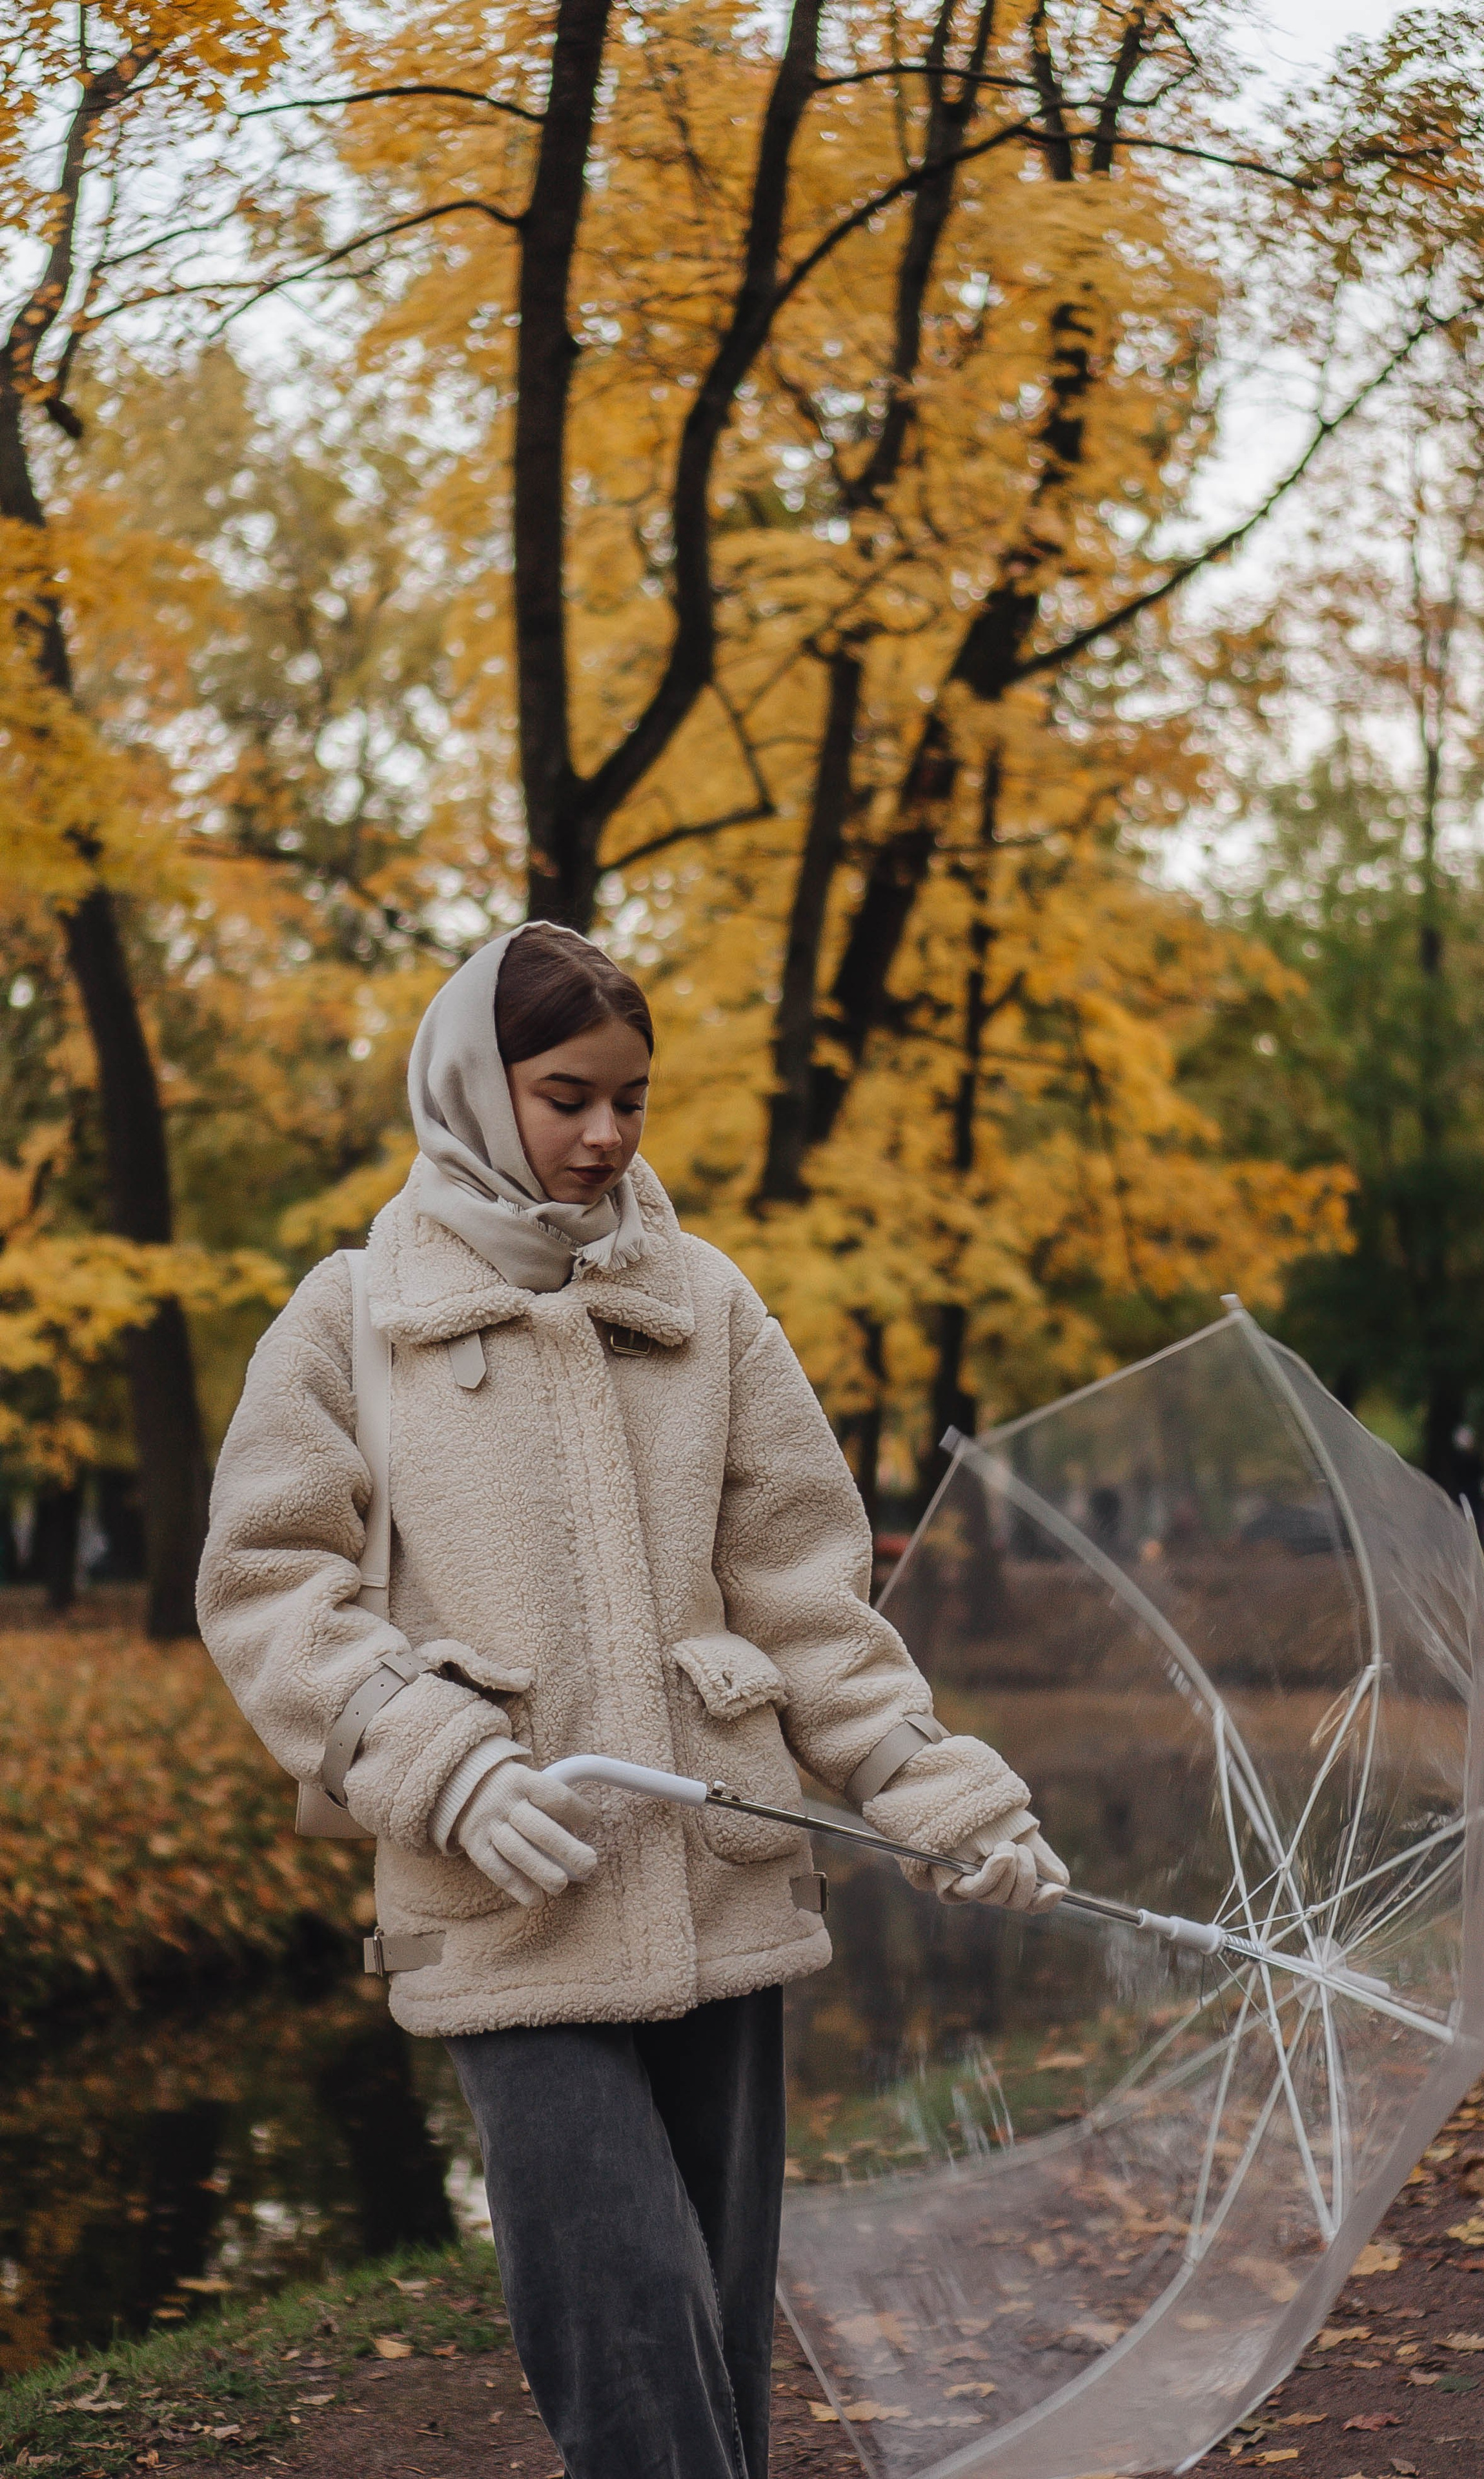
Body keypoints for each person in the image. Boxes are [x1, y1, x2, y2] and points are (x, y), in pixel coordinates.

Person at [196, 923, 1066, 2479]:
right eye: (563, 1094)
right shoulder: (350, 1315)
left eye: (630, 1099)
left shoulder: (708, 1302)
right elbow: (268, 1588)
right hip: (505, 1901)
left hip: (725, 1889)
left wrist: (948, 1801)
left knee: (716, 2326)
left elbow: (805, 1599)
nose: (603, 1134)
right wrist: (436, 1762)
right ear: (474, 1087)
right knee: (622, 2309)